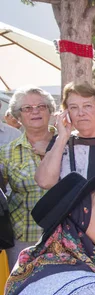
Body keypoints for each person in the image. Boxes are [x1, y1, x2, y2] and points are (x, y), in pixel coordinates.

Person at [0, 86, 55, 268]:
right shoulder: (7, 152)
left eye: (41, 106)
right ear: (18, 116)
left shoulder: (69, 143)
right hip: (23, 237)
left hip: (64, 235)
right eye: (27, 108)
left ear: (50, 110)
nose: (35, 112)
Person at [35, 82, 95, 189]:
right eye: (74, 108)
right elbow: (45, 182)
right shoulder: (61, 141)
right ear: (66, 113)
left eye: (87, 106)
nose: (81, 113)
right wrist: (62, 137)